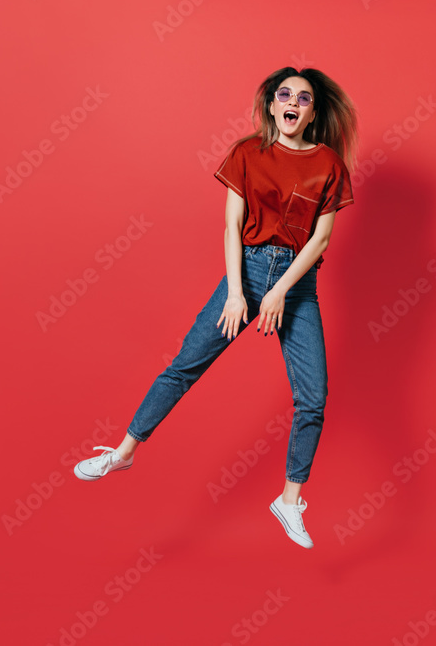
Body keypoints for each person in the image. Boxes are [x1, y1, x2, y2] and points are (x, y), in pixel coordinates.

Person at [73, 66, 358, 549]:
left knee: (314, 398)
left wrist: (280, 291)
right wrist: (236, 293)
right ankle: (123, 453)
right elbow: (232, 225)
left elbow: (321, 238)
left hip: (296, 284)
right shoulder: (248, 153)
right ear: (272, 105)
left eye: (302, 98)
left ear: (312, 112)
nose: (292, 102)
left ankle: (289, 500)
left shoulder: (328, 164)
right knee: (184, 366)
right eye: (283, 94)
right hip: (245, 271)